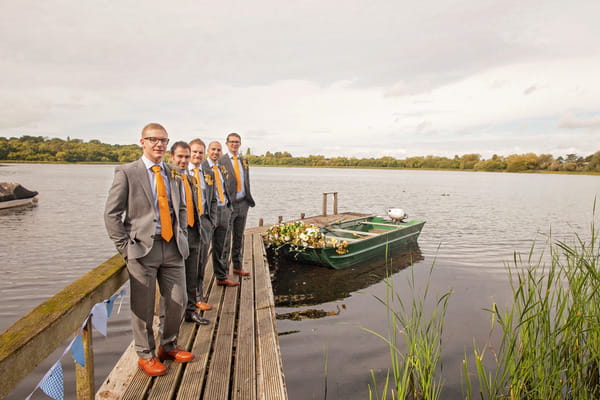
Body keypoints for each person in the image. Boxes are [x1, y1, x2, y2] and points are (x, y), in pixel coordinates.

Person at [104, 123, 194, 377]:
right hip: (142, 249)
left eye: (164, 140)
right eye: (153, 139)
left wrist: (182, 235)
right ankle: (146, 355)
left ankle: (168, 346)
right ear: (142, 142)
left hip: (173, 247)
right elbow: (111, 214)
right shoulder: (127, 172)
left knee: (178, 300)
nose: (159, 144)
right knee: (142, 307)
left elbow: (183, 207)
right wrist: (125, 248)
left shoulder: (174, 172)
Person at [169, 141, 210, 326]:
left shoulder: (191, 179)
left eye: (186, 157)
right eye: (180, 156)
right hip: (176, 235)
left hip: (194, 231)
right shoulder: (166, 178)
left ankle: (191, 311)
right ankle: (172, 318)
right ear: (171, 157)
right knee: (176, 280)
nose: (184, 160)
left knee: (192, 275)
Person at [203, 141, 239, 287]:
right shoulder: (202, 168)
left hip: (224, 209)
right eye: (213, 149)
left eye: (218, 150)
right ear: (207, 150)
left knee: (221, 246)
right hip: (209, 212)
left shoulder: (220, 168)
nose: (216, 152)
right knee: (204, 248)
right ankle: (198, 285)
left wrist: (229, 207)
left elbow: (225, 188)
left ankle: (221, 276)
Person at [220, 133, 255, 276]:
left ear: (240, 144)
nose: (234, 144)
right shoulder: (221, 161)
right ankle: (222, 272)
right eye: (232, 142)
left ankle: (237, 266)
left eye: (237, 142)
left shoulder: (244, 161)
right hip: (229, 205)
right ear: (227, 143)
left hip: (243, 203)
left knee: (239, 237)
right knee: (225, 239)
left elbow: (246, 180)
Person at [188, 138, 218, 308]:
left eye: (200, 152)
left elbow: (213, 199)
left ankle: (198, 297)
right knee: (187, 263)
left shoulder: (207, 174)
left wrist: (212, 220)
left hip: (204, 222)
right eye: (194, 152)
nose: (197, 155)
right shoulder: (181, 173)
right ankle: (187, 300)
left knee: (201, 262)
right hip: (188, 225)